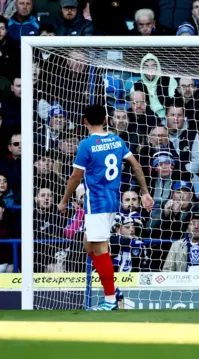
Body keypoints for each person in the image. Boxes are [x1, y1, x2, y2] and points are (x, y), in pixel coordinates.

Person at [57, 105, 154, 311]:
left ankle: (110, 300)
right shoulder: (117, 140)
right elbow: (136, 166)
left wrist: (64, 200)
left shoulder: (86, 144)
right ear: (106, 119)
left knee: (100, 249)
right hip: (112, 200)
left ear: (84, 121)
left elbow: (76, 177)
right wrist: (144, 192)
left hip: (97, 203)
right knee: (87, 245)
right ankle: (114, 288)